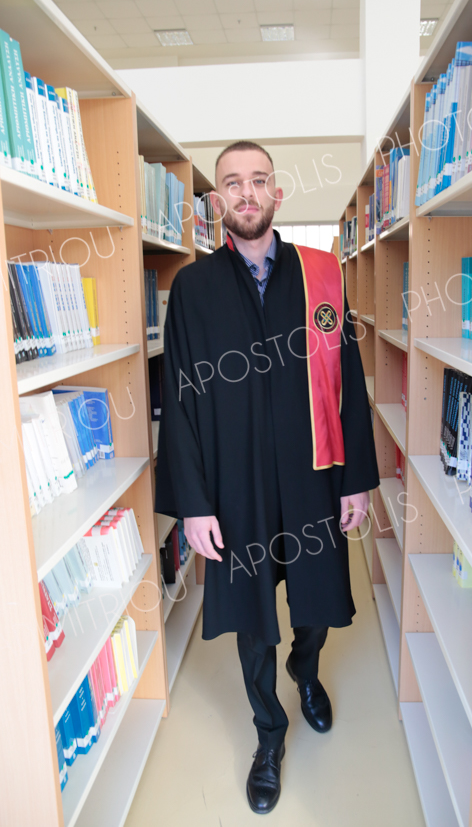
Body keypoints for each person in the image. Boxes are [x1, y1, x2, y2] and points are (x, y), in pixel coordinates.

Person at [155, 140, 379, 814]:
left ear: (276, 193)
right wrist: (194, 504)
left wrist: (355, 480)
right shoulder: (193, 288)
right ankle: (268, 733)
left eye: (258, 180)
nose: (246, 192)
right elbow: (180, 399)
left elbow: (348, 383)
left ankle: (305, 672)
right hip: (235, 486)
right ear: (217, 199)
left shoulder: (322, 275)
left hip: (313, 476)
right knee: (252, 620)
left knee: (316, 602)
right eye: (233, 182)